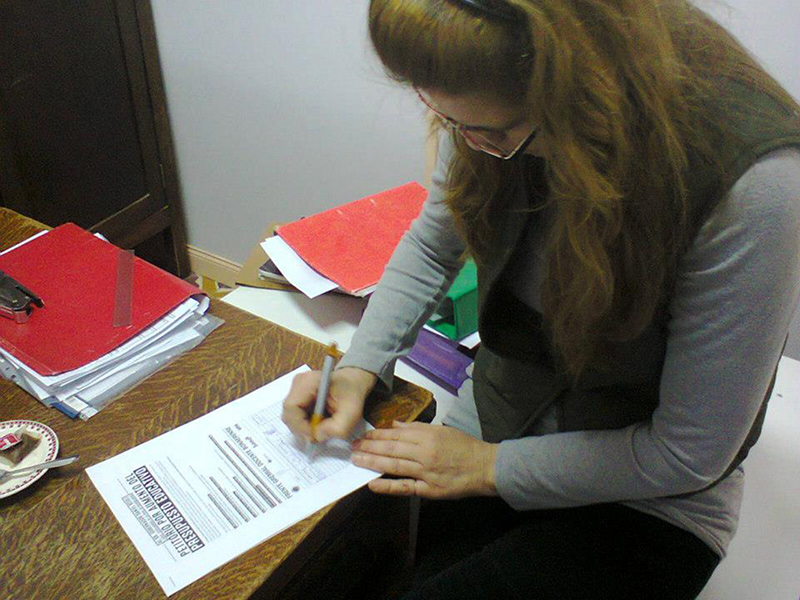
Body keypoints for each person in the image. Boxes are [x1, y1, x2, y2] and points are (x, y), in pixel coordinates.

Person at [282, 1, 800, 598]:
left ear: (580, 89)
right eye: (446, 118)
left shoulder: (757, 185)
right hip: (498, 424)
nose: (466, 142)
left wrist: (487, 468)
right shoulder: (486, 98)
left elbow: (687, 454)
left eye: (496, 134)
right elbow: (434, 242)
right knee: (327, 570)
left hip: (647, 497)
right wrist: (360, 368)